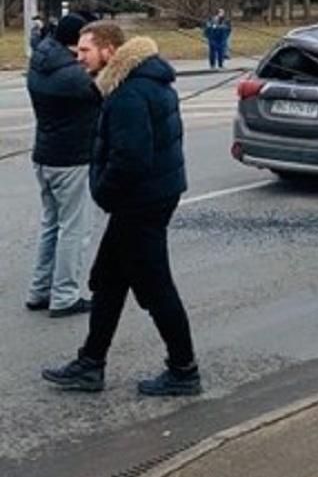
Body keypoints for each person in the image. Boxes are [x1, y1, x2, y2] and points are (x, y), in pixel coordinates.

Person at [42, 23, 201, 396]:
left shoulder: (128, 94)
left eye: (84, 51)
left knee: (156, 286)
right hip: (150, 197)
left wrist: (102, 192)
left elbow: (130, 159)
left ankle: (184, 370)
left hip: (139, 204)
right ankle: (90, 363)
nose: (77, 57)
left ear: (110, 51)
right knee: (108, 281)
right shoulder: (145, 81)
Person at [24, 12, 102, 318]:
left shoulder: (41, 62)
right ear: (76, 43)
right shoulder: (72, 77)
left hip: (45, 156)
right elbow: (103, 95)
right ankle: (65, 296)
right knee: (74, 230)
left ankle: (39, 290)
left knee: (51, 226)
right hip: (71, 159)